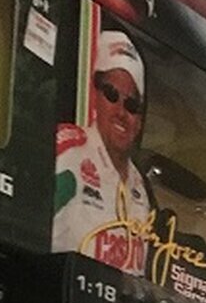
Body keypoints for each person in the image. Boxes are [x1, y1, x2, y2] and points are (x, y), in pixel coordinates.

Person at [54, 28, 154, 275]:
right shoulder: (68, 154)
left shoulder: (140, 187)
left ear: (140, 120)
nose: (121, 112)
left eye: (132, 104)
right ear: (95, 96)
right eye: (112, 95)